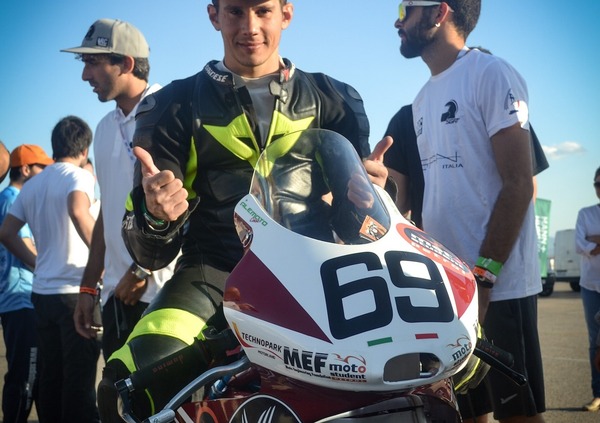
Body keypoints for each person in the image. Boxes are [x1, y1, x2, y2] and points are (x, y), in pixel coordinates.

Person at [95, 1, 391, 421]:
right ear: (214, 16)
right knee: (123, 387)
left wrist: (369, 199)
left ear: (286, 14)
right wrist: (157, 216)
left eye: (262, 10)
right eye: (235, 11)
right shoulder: (172, 105)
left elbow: (360, 228)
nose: (249, 26)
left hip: (321, 276)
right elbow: (150, 254)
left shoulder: (336, 97)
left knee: (450, 363)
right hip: (213, 276)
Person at [394, 1, 545, 422]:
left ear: (438, 12)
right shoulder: (422, 99)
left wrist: (484, 276)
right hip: (448, 290)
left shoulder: (490, 73)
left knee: (519, 416)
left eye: (406, 8)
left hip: (498, 288)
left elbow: (519, 184)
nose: (397, 20)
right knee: (466, 414)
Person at [61, 18, 176, 362]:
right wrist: (87, 287)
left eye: (92, 62)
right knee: (117, 392)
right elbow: (107, 215)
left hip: (164, 294)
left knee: (167, 396)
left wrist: (142, 269)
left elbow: (186, 205)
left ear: (126, 63)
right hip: (115, 295)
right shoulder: (104, 127)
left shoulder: (170, 112)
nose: (85, 75)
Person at [0, 116, 101, 423]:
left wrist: (37, 262)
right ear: (84, 150)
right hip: (76, 292)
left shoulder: (32, 185)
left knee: (51, 377)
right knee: (79, 382)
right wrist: (103, 257)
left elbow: (6, 233)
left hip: (42, 294)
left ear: (55, 146)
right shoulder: (80, 176)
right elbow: (78, 210)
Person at [0, 145, 53, 423]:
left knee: (34, 373)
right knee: (26, 376)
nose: (45, 173)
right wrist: (46, 268)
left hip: (16, 299)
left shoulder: (9, 198)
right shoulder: (13, 198)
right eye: (41, 167)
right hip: (21, 298)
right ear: (25, 169)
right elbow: (21, 245)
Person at [575, 166, 600, 411]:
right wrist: (590, 244)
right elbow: (580, 245)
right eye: (597, 184)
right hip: (590, 286)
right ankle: (598, 394)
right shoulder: (586, 214)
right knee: (595, 341)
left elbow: (589, 243)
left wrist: (595, 239)